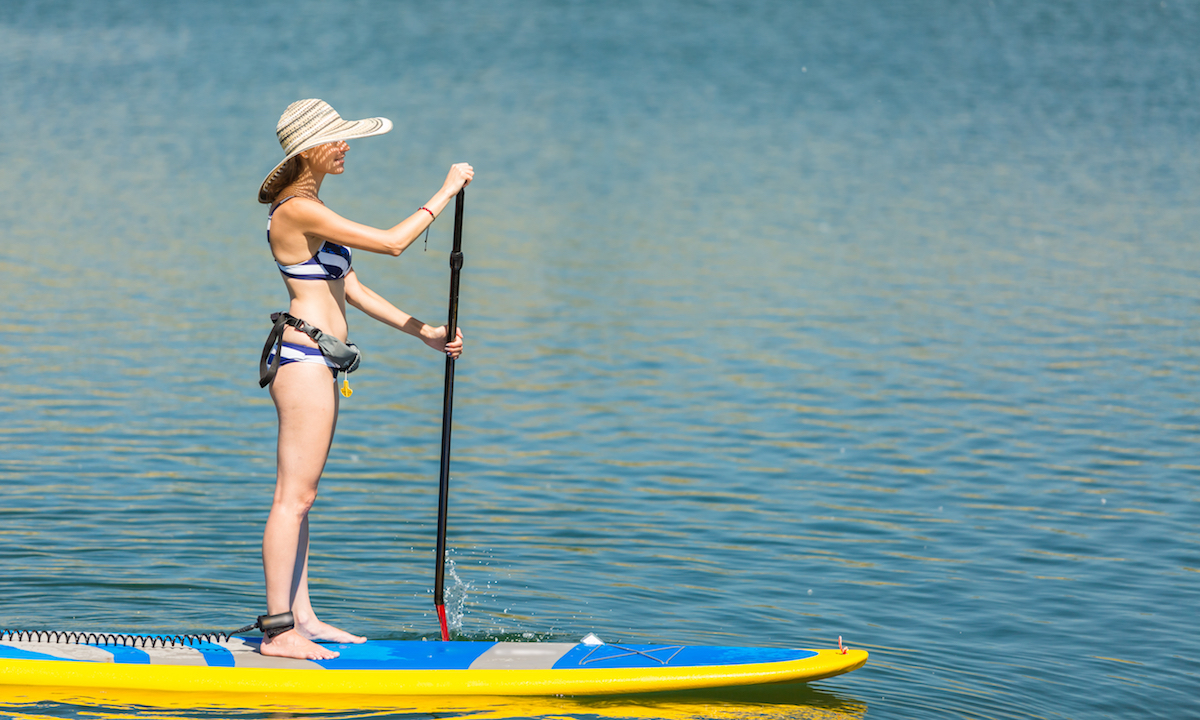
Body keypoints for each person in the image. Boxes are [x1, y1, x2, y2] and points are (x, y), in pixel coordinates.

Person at [254, 99, 472, 660]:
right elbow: (395, 241)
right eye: (338, 138)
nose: (347, 146)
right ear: (309, 149)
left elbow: (352, 289)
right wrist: (446, 189)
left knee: (305, 496)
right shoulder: (295, 211)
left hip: (317, 361)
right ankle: (278, 631)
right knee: (292, 498)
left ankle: (302, 615)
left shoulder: (315, 208)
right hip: (301, 362)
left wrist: (421, 330)